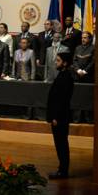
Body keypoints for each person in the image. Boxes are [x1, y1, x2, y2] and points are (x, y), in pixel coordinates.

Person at [47, 52, 74, 180]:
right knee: (60, 144)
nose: (55, 62)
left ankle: (63, 171)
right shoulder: (62, 75)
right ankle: (62, 169)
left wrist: (56, 117)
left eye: (58, 61)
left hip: (60, 117)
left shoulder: (66, 77)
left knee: (61, 144)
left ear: (65, 63)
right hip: (59, 116)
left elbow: (62, 100)